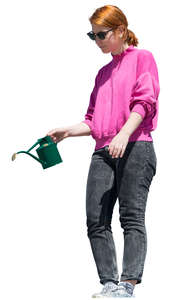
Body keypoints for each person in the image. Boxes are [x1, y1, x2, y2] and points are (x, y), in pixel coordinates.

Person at [46, 5, 160, 299]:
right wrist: (68, 131)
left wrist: (124, 133)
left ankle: (128, 285)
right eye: (92, 35)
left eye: (101, 34)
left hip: (137, 146)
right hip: (104, 150)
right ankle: (108, 283)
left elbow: (144, 103)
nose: (97, 41)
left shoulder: (142, 59)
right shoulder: (102, 74)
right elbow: (93, 120)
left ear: (121, 30)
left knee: (131, 217)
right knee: (96, 220)